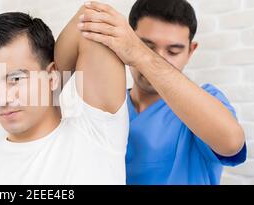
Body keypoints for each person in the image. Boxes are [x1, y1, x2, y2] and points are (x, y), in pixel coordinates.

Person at [78, 0, 247, 184]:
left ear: (191, 51)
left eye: (173, 51)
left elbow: (231, 143)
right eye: (147, 46)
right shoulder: (109, 106)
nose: (158, 58)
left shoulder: (207, 102)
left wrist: (142, 54)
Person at [0, 10, 128, 184]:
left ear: (52, 76)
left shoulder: (96, 135)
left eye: (15, 79)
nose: (1, 99)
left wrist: (51, 85)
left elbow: (91, 17)